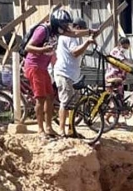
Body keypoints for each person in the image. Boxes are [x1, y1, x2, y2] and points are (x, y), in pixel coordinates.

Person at [24, 9, 98, 138]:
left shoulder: (56, 32)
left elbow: (74, 33)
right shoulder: (43, 30)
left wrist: (89, 32)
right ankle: (40, 130)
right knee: (40, 98)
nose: (65, 28)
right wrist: (42, 49)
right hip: (34, 66)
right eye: (63, 25)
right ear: (56, 23)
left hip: (43, 68)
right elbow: (28, 47)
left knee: (50, 97)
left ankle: (49, 127)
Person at [54, 18, 95, 137]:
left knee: (73, 104)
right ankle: (61, 130)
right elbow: (75, 52)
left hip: (72, 74)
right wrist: (87, 42)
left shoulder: (74, 38)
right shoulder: (70, 37)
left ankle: (71, 130)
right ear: (77, 28)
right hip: (65, 73)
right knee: (65, 102)